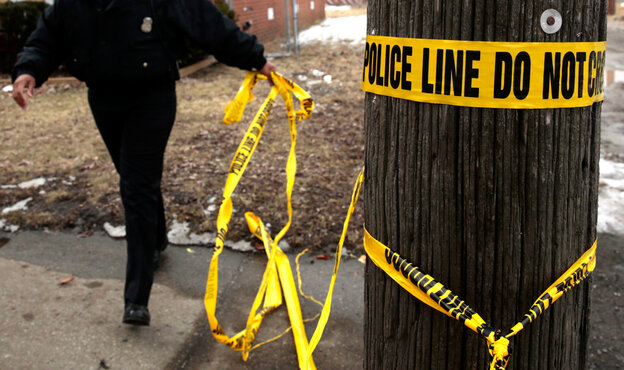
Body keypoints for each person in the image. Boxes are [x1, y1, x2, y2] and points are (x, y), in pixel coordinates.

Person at [11, 0, 275, 326]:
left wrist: (255, 59)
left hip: (152, 97)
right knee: (135, 178)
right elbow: (48, 37)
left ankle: (136, 298)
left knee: (135, 186)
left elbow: (208, 24)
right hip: (103, 98)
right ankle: (156, 240)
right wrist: (28, 70)